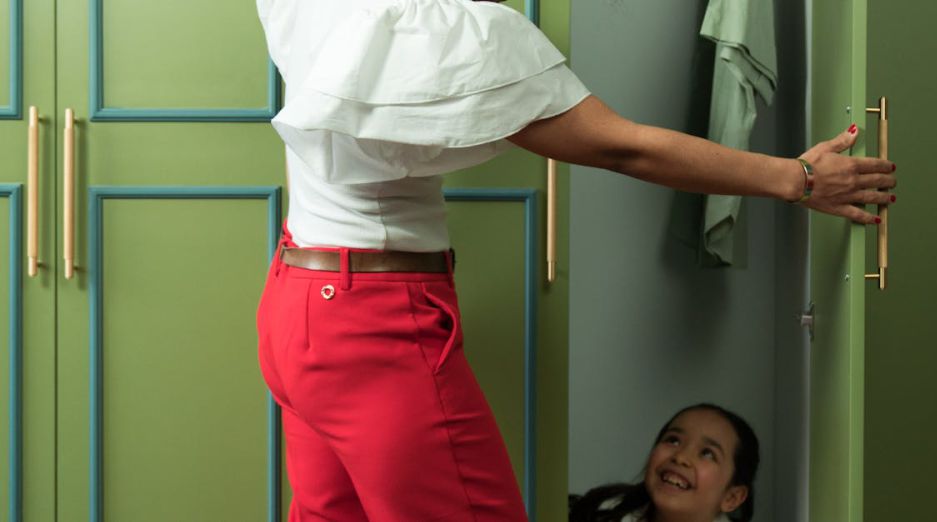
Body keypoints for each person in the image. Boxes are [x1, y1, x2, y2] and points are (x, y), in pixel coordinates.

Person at [254, 1, 895, 521]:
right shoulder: (442, 34)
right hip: (372, 327)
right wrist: (799, 178)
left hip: (295, 305)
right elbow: (623, 149)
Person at [568, 404, 759, 522]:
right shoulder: (599, 510)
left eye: (707, 454)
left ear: (732, 498)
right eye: (673, 440)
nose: (681, 457)